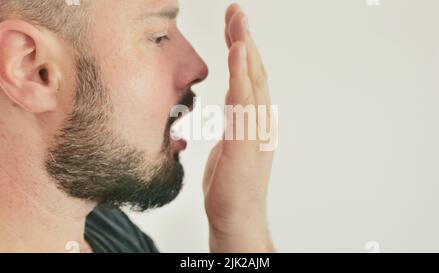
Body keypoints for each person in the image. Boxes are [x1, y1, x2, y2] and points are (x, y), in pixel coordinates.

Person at [0, 0, 274, 253]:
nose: (198, 68)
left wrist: (239, 225)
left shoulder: (113, 233)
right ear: (33, 69)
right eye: (158, 36)